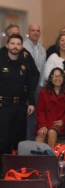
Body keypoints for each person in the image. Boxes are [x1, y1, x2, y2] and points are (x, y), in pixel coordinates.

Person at [0, 34, 35, 169]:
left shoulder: (25, 63)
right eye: (13, 43)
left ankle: (15, 168)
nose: (15, 46)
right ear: (7, 45)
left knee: (18, 138)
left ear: (21, 46)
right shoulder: (1, 61)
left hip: (21, 106)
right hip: (4, 106)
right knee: (3, 139)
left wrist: (31, 102)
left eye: (18, 44)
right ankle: (2, 169)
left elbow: (30, 84)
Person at [22, 23, 46, 140]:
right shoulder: (23, 47)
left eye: (37, 30)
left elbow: (42, 71)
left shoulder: (42, 50)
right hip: (26, 89)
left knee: (35, 118)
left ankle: (32, 143)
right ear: (28, 32)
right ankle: (26, 144)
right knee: (27, 118)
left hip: (38, 89)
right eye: (33, 30)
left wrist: (40, 86)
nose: (35, 33)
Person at [35, 68, 65, 147]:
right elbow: (40, 110)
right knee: (41, 133)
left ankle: (52, 158)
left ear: (63, 78)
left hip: (60, 124)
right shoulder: (43, 92)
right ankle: (35, 158)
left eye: (59, 76)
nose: (57, 78)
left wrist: (62, 121)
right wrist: (42, 125)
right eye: (54, 76)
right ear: (51, 79)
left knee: (51, 132)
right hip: (46, 121)